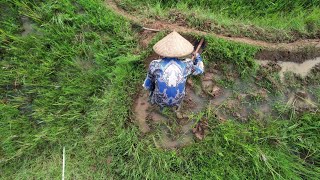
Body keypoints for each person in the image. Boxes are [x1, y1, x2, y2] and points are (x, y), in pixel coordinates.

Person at [143, 31, 204, 115]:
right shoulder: (187, 64)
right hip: (178, 100)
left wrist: (151, 89)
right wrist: (197, 57)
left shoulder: (154, 64)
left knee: (154, 86)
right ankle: (176, 106)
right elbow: (200, 70)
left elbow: (147, 85)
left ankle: (160, 107)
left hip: (159, 100)